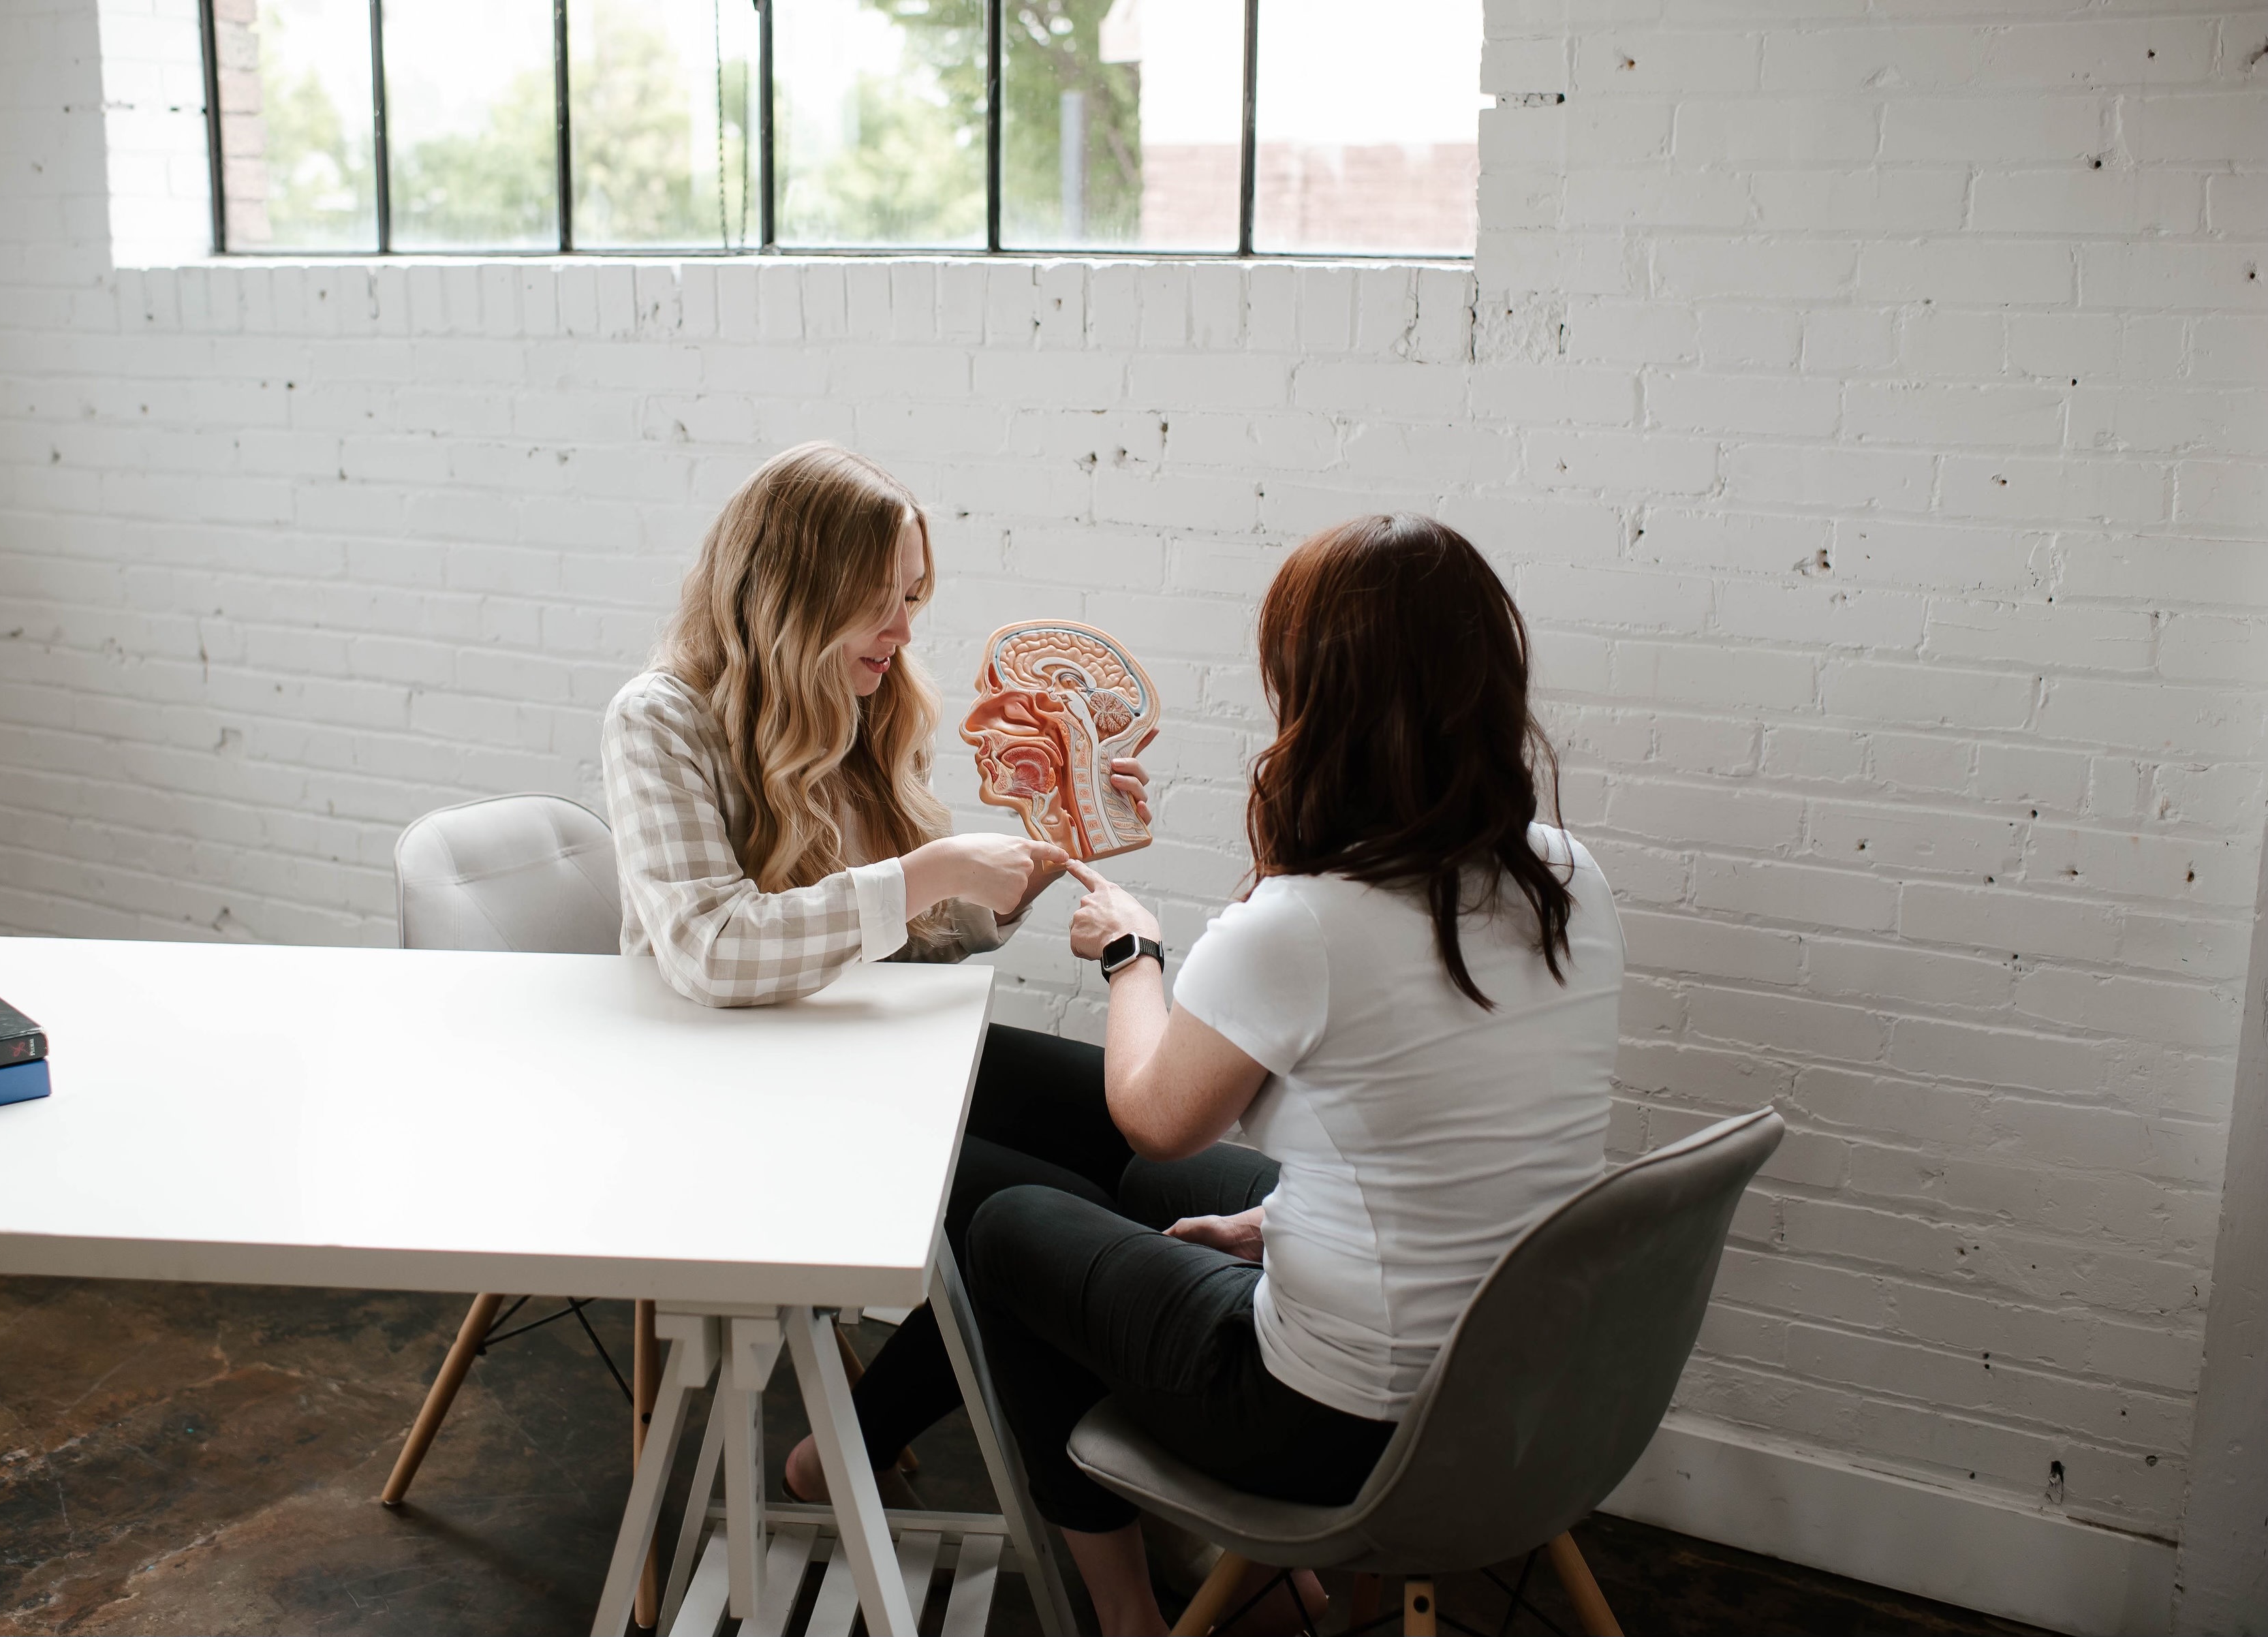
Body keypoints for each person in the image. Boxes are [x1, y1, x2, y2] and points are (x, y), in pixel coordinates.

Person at [962, 514, 1626, 1636]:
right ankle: (1251, 1588)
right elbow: (1463, 1137)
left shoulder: (1307, 920)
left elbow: (1154, 1116)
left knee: (1008, 1224)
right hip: (1523, 1398)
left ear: (1314, 694)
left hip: (1339, 1425)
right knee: (1135, 1191)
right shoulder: (1567, 878)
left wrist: (1131, 955)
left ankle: (1131, 1616)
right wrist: (1273, 1224)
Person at [597, 441, 1154, 1502]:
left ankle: (886, 1445)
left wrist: (1024, 868)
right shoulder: (659, 718)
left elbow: (897, 937)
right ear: (797, 592)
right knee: (1062, 1219)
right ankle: (906, 1455)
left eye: (911, 597)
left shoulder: (856, 699)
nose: (904, 632)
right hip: (734, 1090)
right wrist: (931, 869)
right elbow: (714, 947)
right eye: (881, 601)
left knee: (1132, 1134)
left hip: (859, 1049)